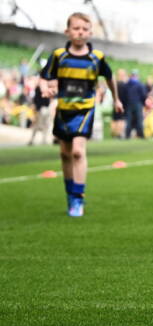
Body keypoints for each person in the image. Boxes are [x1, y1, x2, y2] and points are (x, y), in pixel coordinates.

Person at [39, 12, 123, 217]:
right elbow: (44, 77)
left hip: (85, 109)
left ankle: (78, 198)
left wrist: (117, 99)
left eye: (85, 29)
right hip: (63, 110)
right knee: (65, 153)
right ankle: (70, 194)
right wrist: (44, 89)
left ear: (91, 32)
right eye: (76, 28)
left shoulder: (97, 58)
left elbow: (110, 78)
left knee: (77, 151)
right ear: (67, 32)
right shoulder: (59, 56)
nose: (80, 32)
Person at [121, 69, 147, 139]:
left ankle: (127, 135)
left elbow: (123, 96)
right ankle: (141, 135)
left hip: (129, 104)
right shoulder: (139, 84)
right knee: (139, 120)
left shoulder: (127, 84)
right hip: (138, 104)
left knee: (129, 120)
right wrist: (143, 103)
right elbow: (143, 95)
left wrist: (124, 104)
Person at [28, 79, 52, 146]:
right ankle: (33, 140)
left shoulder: (45, 87)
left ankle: (42, 140)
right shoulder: (40, 88)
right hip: (42, 108)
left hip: (45, 108)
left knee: (44, 125)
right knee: (39, 125)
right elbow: (37, 99)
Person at [111, 68, 128, 138]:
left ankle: (115, 135)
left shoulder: (115, 85)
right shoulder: (125, 85)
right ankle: (119, 134)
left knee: (115, 119)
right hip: (123, 104)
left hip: (115, 103)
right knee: (121, 119)